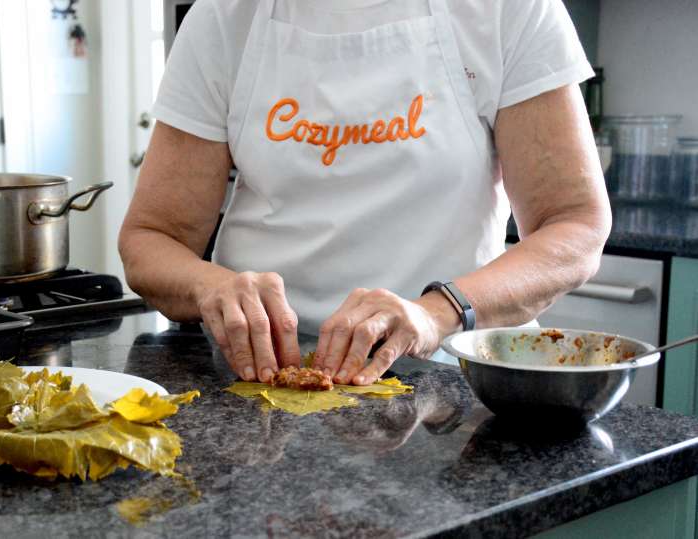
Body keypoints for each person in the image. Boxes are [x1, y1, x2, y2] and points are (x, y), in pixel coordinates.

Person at [118, 0, 611, 386]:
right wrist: (211, 287)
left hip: (448, 379)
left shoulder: (506, 10)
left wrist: (437, 312)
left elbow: (575, 224)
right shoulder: (224, 18)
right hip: (259, 376)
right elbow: (150, 238)